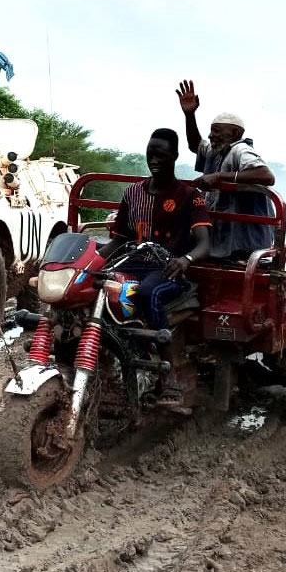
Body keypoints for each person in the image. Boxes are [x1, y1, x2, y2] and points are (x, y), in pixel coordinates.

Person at [100, 128, 211, 408]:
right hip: (132, 264)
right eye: (151, 154)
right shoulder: (132, 193)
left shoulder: (190, 196)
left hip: (168, 269)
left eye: (161, 154)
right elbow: (120, 239)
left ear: (174, 155)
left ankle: (168, 376)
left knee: (148, 292)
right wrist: (90, 260)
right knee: (94, 287)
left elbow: (204, 244)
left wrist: (186, 260)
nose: (154, 160)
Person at [175, 80, 276, 260]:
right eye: (211, 131)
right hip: (223, 237)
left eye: (216, 131)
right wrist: (189, 115)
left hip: (244, 241)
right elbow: (195, 145)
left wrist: (220, 176)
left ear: (235, 134)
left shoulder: (240, 150)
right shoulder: (216, 150)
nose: (210, 135)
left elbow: (266, 175)